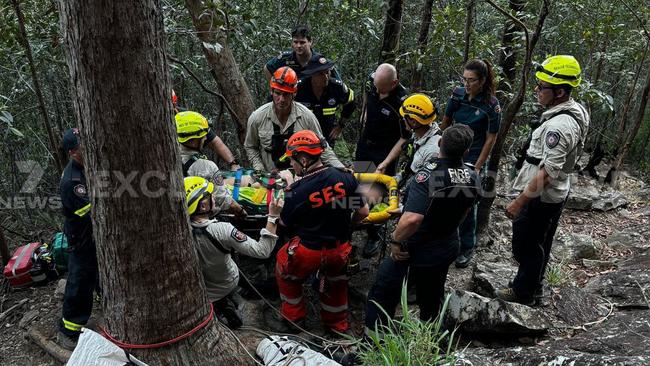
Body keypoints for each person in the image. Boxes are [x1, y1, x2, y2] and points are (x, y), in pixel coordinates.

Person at [364, 125, 481, 336]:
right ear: (465, 152)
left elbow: (413, 219)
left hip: (412, 246)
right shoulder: (472, 176)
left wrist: (395, 240)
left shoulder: (429, 175)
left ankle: (373, 342)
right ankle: (430, 340)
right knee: (432, 297)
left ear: (439, 143)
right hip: (445, 244)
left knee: (383, 291)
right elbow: (464, 210)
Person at [497, 55, 589, 305]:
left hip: (541, 196)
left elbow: (548, 172)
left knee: (525, 245)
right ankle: (531, 282)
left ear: (559, 92)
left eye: (542, 87)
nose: (537, 90)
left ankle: (524, 292)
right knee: (540, 241)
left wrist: (519, 202)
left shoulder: (559, 126)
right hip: (555, 193)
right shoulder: (575, 109)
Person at [275, 131, 369, 334]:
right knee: (337, 283)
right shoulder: (346, 178)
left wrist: (289, 189)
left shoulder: (297, 191)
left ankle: (294, 320)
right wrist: (349, 226)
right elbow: (362, 211)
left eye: (292, 160)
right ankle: (336, 327)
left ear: (303, 158)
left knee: (284, 268)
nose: (292, 165)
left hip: (308, 252)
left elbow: (284, 223)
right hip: (339, 249)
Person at [184, 176, 283, 328]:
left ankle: (223, 306)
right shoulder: (223, 230)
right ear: (203, 206)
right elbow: (263, 251)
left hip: (206, 288)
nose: (214, 196)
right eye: (211, 194)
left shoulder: (180, 230)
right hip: (227, 281)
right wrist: (273, 216)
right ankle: (236, 299)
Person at [441, 59, 501, 268]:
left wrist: (477, 165)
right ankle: (446, 239)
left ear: (483, 81)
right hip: (453, 150)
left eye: (472, 80)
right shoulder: (458, 94)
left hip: (473, 154)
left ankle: (467, 246)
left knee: (466, 200)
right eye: (464, 79)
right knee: (445, 195)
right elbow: (446, 120)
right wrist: (441, 146)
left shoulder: (491, 105)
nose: (467, 84)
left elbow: (491, 137)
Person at [245, 66, 344, 172]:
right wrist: (259, 170)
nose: (281, 99)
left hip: (301, 179)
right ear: (271, 92)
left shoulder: (307, 117)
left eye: (286, 94)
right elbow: (250, 146)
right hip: (269, 178)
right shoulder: (257, 117)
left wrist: (340, 168)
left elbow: (323, 148)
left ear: (294, 93)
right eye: (278, 93)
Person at [355, 63, 408, 258]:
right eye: (375, 85)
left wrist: (386, 162)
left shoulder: (402, 102)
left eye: (381, 87)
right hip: (365, 146)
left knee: (377, 194)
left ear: (394, 83)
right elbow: (367, 102)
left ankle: (374, 235)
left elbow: (404, 138)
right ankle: (358, 222)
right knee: (360, 188)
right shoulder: (372, 85)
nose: (377, 90)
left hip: (385, 152)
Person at [57, 128, 98, 350]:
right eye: (84, 147)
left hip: (94, 235)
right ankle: (68, 330)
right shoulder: (72, 181)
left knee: (99, 274)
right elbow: (92, 211)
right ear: (73, 152)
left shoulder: (89, 167)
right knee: (81, 280)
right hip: (81, 237)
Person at [176, 110, 247, 217]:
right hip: (203, 220)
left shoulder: (167, 158)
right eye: (203, 135)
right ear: (193, 140)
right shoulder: (207, 167)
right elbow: (225, 201)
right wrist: (241, 212)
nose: (206, 138)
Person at [172, 90, 240, 171]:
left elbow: (215, 142)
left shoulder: (187, 118)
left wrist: (233, 163)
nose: (205, 138)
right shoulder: (208, 167)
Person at [382, 93, 442, 183]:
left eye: (404, 117)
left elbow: (424, 185)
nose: (403, 119)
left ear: (413, 122)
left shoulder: (433, 151)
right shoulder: (419, 134)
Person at [295, 57, 355, 145]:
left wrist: (340, 125)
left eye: (327, 72)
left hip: (327, 139)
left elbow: (351, 102)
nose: (326, 77)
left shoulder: (337, 87)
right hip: (303, 138)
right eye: (320, 74)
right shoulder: (299, 88)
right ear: (312, 75)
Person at [264, 25, 340, 81]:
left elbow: (337, 80)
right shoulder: (285, 58)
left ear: (310, 42)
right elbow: (267, 68)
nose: (298, 46)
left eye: (302, 42)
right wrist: (274, 89)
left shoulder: (319, 61)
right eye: (295, 42)